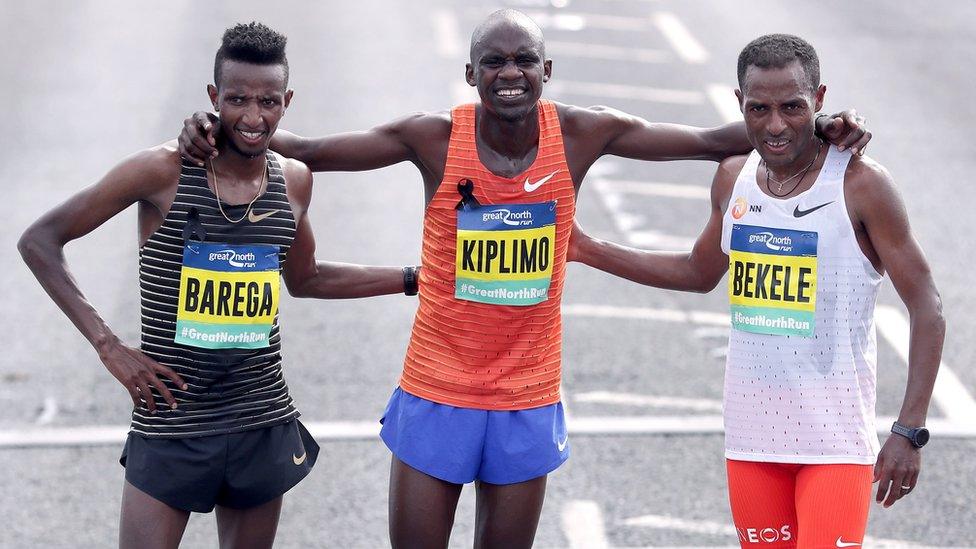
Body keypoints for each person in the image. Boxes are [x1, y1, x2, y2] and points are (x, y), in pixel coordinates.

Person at [178, 12, 872, 548]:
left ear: (546, 68)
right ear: (471, 73)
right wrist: (219, 129)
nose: (509, 73)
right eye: (493, 62)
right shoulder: (432, 138)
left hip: (527, 394)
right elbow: (313, 151)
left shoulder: (580, 133)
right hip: (436, 388)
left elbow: (708, 141)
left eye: (522, 61)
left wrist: (822, 129)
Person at [18, 22, 412, 549]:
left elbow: (307, 277)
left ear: (286, 100)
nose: (253, 117)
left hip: (261, 415)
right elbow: (40, 240)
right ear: (213, 98)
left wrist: (413, 279)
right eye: (237, 100)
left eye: (269, 101)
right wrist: (108, 347)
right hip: (173, 419)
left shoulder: (293, 180)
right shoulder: (161, 171)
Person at [569, 34, 944, 548]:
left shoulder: (860, 185)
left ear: (819, 98)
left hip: (834, 444)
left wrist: (909, 430)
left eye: (792, 107)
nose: (775, 124)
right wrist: (584, 248)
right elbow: (697, 273)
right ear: (738, 103)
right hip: (751, 441)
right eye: (758, 108)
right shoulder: (732, 179)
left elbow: (928, 306)